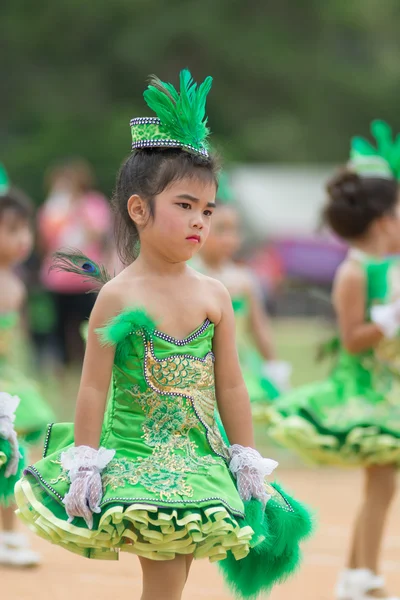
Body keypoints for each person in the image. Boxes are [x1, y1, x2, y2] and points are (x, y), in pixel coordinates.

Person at [15, 70, 312, 600]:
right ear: (138, 210)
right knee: (167, 567)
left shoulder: (216, 295)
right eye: (184, 206)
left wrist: (245, 456)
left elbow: (232, 387)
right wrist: (85, 463)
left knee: (180, 559)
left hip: (199, 455)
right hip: (137, 455)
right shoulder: (118, 296)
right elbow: (91, 388)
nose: (200, 221)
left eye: (208, 210)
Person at [264, 121, 400, 600]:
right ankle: (359, 574)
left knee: (382, 486)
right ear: (384, 218)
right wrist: (386, 322)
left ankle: (357, 573)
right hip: (363, 391)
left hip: (390, 388)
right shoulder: (353, 272)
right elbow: (352, 341)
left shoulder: (389, 267)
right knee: (382, 485)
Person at [193, 171, 291, 407]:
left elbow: (259, 328)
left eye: (234, 230)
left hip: (238, 366)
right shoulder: (189, 275)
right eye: (221, 230)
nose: (230, 239)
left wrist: (273, 365)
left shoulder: (243, 278)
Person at [0, 166, 53, 566]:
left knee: (11, 457)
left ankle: (8, 533)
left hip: (8, 381)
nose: (23, 241)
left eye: (26, 231)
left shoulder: (16, 285)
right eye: (12, 230)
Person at [38, 158, 111, 367]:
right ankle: (64, 367)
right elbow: (46, 240)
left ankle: (92, 366)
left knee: (90, 325)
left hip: (86, 278)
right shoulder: (52, 208)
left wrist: (78, 210)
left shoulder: (94, 203)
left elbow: (97, 235)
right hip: (57, 279)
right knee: (60, 328)